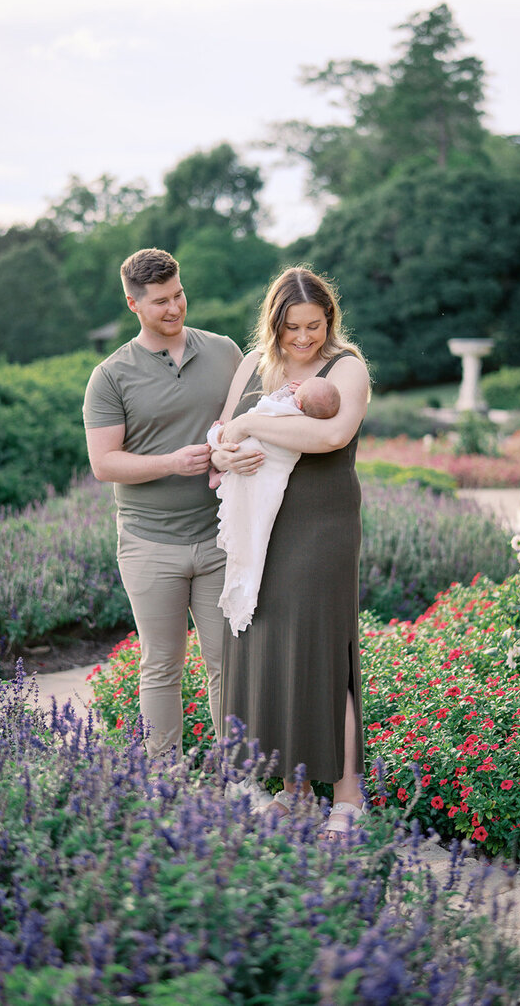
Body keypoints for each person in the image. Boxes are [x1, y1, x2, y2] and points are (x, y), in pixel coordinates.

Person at [211, 266, 370, 839]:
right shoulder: (253, 363)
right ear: (273, 323)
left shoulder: (346, 366)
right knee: (273, 651)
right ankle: (295, 790)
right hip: (260, 528)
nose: (303, 338)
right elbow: (223, 434)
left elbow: (332, 436)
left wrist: (253, 422)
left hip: (319, 527)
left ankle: (348, 798)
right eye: (292, 327)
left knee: (324, 655)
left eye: (314, 325)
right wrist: (224, 455)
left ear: (329, 319)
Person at [83, 247, 242, 760]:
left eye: (178, 296)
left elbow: (249, 423)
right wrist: (172, 463)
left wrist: (230, 452)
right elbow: (105, 463)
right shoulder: (110, 376)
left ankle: (239, 777)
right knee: (161, 666)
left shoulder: (225, 352)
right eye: (159, 303)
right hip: (149, 544)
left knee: (229, 664)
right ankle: (163, 784)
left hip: (221, 537)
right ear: (133, 304)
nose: (174, 309)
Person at [207, 376, 341, 636]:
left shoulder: (287, 411)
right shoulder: (305, 410)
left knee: (220, 437)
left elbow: (264, 410)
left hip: (266, 458)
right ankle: (221, 471)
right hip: (251, 455)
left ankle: (219, 469)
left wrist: (283, 394)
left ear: (298, 399)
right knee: (253, 526)